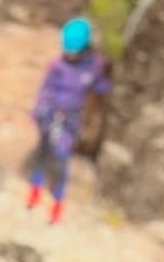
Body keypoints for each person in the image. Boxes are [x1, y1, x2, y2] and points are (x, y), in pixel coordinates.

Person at [28, 18, 111, 223]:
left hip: (71, 119)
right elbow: (45, 89)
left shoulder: (93, 66)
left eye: (73, 50)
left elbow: (102, 87)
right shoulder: (58, 65)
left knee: (61, 159)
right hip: (50, 114)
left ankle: (57, 203)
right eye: (67, 49)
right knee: (43, 153)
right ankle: (35, 191)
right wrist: (39, 109)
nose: (69, 54)